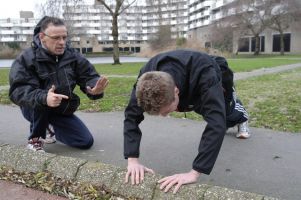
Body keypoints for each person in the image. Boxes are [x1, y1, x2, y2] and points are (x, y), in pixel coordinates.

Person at [123, 49, 249, 193]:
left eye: (166, 111)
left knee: (226, 114)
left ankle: (242, 119)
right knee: (217, 119)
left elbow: (216, 124)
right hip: (186, 82)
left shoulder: (206, 76)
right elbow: (131, 116)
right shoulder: (146, 79)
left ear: (176, 91)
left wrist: (194, 173)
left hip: (212, 73)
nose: (163, 117)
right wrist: (132, 160)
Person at [9, 16, 109, 152]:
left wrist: (93, 88)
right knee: (41, 100)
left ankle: (50, 127)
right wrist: (45, 97)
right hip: (35, 108)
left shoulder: (72, 55)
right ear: (42, 36)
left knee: (85, 141)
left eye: (64, 37)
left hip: (61, 108)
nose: (62, 42)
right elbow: (18, 90)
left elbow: (88, 76)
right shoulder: (27, 58)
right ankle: (35, 139)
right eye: (56, 38)